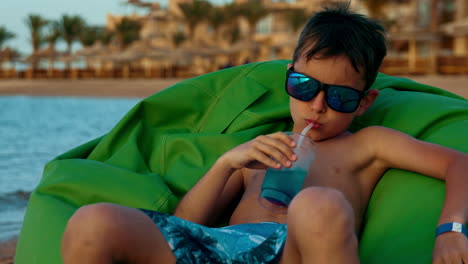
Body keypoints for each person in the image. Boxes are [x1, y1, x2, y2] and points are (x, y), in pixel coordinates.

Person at [61, 3, 468, 264]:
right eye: (306, 88)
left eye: (341, 97)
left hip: (291, 252)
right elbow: (184, 224)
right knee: (92, 221)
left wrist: (451, 230)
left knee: (316, 203)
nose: (318, 106)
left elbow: (458, 163)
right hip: (218, 250)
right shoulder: (257, 149)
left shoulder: (367, 144)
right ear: (289, 81)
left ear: (364, 102)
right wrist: (227, 164)